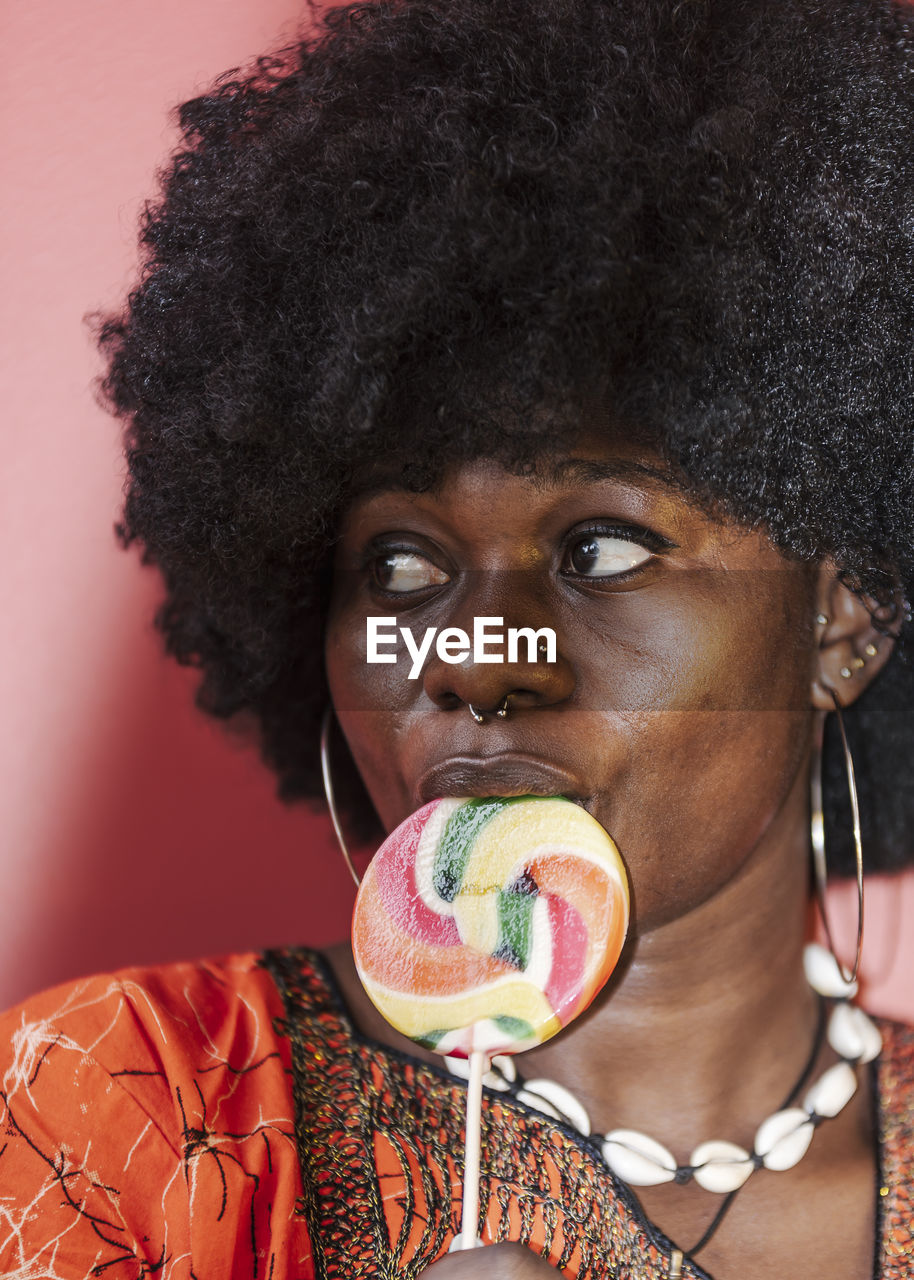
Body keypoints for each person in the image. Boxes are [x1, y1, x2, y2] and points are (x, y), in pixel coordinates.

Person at [2, 0, 914, 1275]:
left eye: (601, 547)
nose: (476, 656)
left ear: (843, 617)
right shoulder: (113, 1110)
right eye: (399, 562)